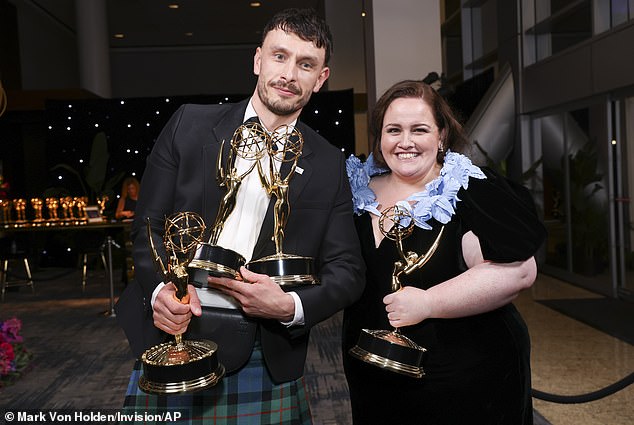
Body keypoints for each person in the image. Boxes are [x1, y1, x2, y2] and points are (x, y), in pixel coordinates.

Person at [114, 8, 365, 424]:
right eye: (279, 56)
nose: (288, 73)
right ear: (257, 60)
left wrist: (289, 306)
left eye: (305, 64)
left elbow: (348, 270)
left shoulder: (328, 162)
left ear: (321, 79)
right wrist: (160, 290)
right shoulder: (188, 125)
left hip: (263, 352)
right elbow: (148, 227)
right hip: (175, 333)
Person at [342, 80, 546, 425]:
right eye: (393, 130)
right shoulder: (354, 191)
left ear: (441, 136)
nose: (405, 142)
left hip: (467, 380)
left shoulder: (469, 188)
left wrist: (428, 302)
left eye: (419, 129)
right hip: (373, 374)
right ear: (379, 137)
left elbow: (520, 271)